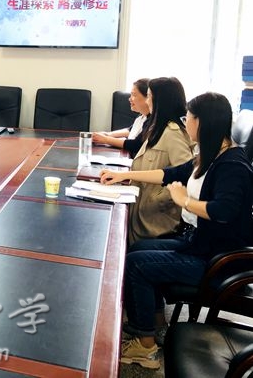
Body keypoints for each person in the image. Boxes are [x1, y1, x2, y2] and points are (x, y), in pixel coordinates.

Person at [100, 92, 253, 369]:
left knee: (136, 264)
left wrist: (185, 201)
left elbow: (224, 211)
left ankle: (145, 346)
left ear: (202, 122)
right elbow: (169, 173)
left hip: (216, 261)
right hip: (199, 243)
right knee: (137, 248)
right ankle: (154, 322)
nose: (185, 123)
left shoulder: (232, 165)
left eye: (189, 118)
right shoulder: (211, 154)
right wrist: (125, 175)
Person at [123, 77, 194, 244]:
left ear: (160, 101)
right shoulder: (156, 127)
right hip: (141, 210)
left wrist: (159, 199)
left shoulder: (173, 133)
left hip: (155, 218)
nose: (147, 101)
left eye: (149, 96)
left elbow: (185, 174)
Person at [92, 78, 150, 158]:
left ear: (148, 97)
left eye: (134, 95)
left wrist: (106, 139)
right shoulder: (142, 116)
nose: (130, 99)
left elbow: (136, 144)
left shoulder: (152, 121)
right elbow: (130, 130)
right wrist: (108, 134)